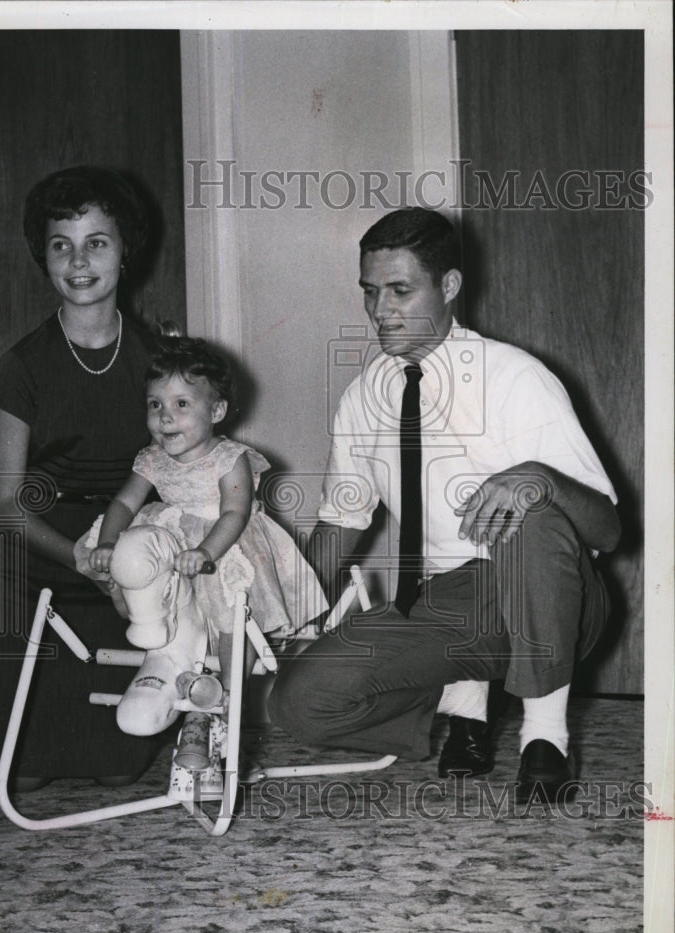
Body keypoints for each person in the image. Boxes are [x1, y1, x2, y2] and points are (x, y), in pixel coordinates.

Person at [267, 207, 620, 803]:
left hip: (553, 597)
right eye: (370, 292)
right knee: (297, 703)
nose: (381, 311)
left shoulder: (514, 377)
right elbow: (340, 522)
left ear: (449, 287)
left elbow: (607, 531)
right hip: (449, 606)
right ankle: (463, 701)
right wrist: (280, 615)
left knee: (530, 510)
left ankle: (545, 737)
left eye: (401, 290)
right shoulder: (363, 397)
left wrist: (539, 477)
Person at [0, 165, 169, 791]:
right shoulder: (24, 364)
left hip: (120, 550)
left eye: (97, 242)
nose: (78, 261)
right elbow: (2, 500)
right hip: (32, 553)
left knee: (116, 767)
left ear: (125, 252)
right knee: (25, 773)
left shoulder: (156, 360)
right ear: (44, 258)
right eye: (61, 245)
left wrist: (116, 556)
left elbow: (176, 471)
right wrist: (77, 556)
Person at [75, 335, 328, 732]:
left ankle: (228, 694)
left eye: (181, 404)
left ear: (217, 410)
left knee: (231, 607)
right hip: (172, 531)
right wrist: (108, 541)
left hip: (224, 541)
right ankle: (158, 646)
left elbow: (235, 512)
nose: (165, 417)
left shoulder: (230, 459)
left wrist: (207, 551)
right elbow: (125, 503)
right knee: (133, 567)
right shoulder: (152, 458)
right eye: (155, 404)